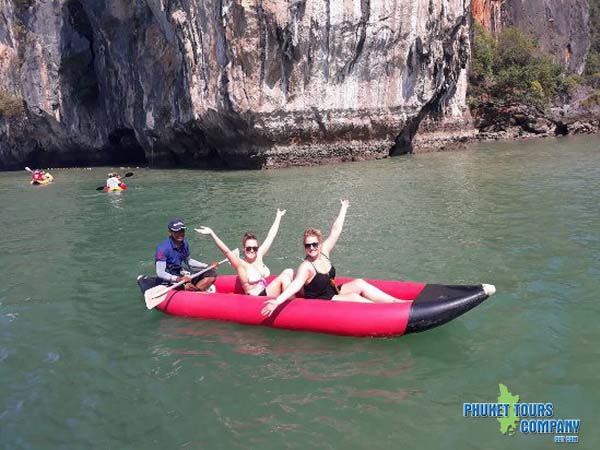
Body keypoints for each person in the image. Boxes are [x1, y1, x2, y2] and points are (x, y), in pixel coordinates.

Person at [261, 200, 409, 316]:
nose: (311, 248)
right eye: (308, 246)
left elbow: (336, 230)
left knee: (359, 283)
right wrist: (276, 301)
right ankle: (388, 313)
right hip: (320, 301)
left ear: (319, 243)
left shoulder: (324, 251)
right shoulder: (306, 266)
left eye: (314, 244)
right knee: (354, 297)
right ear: (304, 247)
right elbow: (295, 285)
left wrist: (344, 208)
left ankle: (398, 302)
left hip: (331, 292)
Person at [195, 208, 293, 297]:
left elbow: (270, 236)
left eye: (254, 248)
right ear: (244, 249)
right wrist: (212, 234)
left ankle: (301, 298)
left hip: (266, 291)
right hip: (256, 298)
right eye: (249, 248)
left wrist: (278, 217)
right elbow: (226, 251)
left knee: (289, 271)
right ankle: (292, 306)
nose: (252, 250)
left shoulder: (259, 255)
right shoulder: (240, 264)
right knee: (284, 277)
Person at [155, 218, 217, 291]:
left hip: (181, 274)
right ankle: (195, 293)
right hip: (170, 279)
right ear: (170, 232)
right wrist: (178, 279)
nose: (180, 234)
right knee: (187, 286)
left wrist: (207, 266)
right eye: (177, 232)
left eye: (182, 231)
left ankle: (197, 292)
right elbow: (160, 273)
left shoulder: (184, 243)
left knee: (212, 274)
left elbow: (189, 261)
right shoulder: (162, 249)